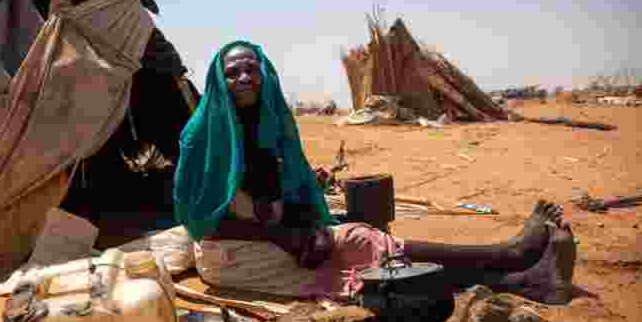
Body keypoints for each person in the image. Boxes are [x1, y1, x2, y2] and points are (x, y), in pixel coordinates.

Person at [173, 41, 575, 305]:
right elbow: (207, 221)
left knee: (362, 248)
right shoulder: (203, 137)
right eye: (233, 72)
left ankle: (519, 280)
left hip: (274, 235)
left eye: (251, 69)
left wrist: (303, 223)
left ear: (264, 74)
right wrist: (286, 235)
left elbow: (284, 192)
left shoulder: (268, 124)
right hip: (232, 252)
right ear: (219, 81)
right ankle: (510, 256)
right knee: (362, 250)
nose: (244, 78)